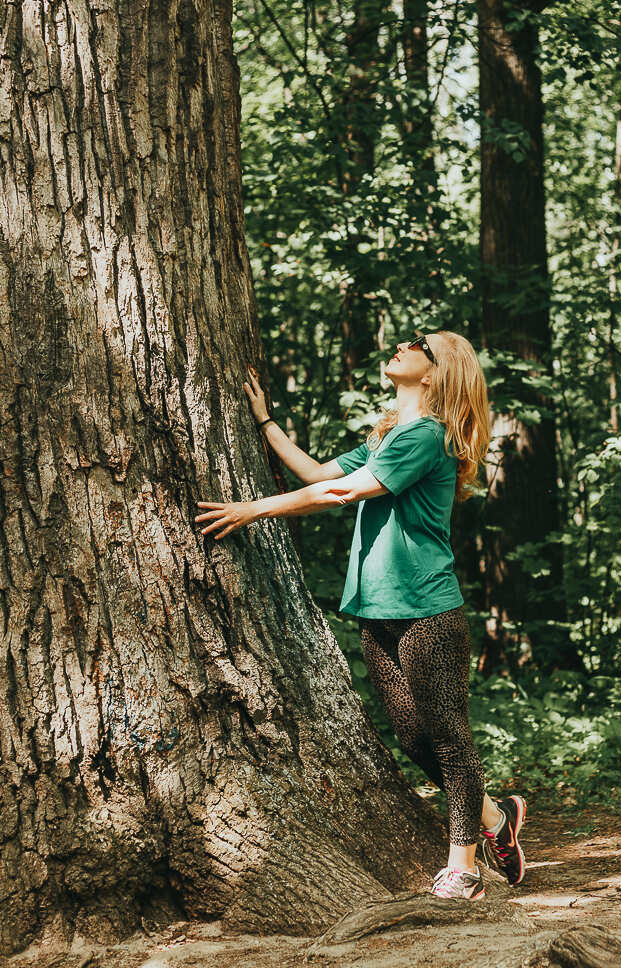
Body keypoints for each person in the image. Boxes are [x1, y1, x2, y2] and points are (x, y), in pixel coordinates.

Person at [195, 332, 526, 900]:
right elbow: (321, 474)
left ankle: (464, 868)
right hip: (379, 612)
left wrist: (255, 510)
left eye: (418, 342)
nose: (402, 343)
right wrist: (265, 423)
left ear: (435, 373)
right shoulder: (388, 436)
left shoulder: (426, 435)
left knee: (447, 737)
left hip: (428, 610)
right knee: (414, 739)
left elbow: (344, 494)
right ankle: (497, 817)